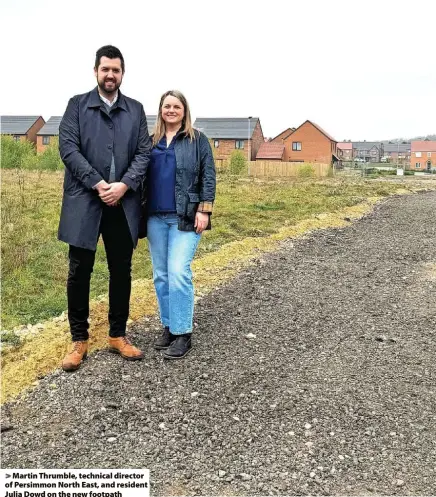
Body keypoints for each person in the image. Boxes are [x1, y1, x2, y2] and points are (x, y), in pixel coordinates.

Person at [59, 45, 152, 371]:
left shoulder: (136, 110)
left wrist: (123, 185)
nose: (110, 75)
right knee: (79, 270)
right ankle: (79, 340)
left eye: (116, 70)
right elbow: (68, 149)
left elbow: (144, 153)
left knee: (121, 270)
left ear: (122, 73)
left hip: (122, 203)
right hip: (85, 200)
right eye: (105, 69)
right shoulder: (77, 106)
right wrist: (99, 184)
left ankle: (117, 335)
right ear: (96, 71)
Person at [143, 90, 216, 359]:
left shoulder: (197, 140)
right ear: (160, 110)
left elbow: (208, 175)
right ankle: (169, 326)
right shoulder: (150, 141)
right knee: (161, 275)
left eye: (176, 106)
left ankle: (183, 332)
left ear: (184, 111)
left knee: (177, 271)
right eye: (166, 106)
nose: (171, 110)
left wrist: (204, 210)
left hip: (184, 217)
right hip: (154, 218)